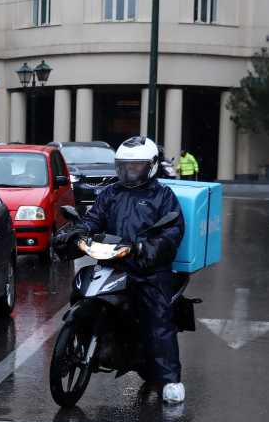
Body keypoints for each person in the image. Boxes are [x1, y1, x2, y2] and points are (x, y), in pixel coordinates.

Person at [54, 136, 187, 403]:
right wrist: (78, 232)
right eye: (124, 166)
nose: (129, 171)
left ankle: (170, 380)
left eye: (136, 166)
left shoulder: (163, 196)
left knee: (157, 320)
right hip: (112, 262)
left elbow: (171, 234)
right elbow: (93, 219)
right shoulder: (111, 194)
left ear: (150, 166)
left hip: (147, 269)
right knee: (84, 287)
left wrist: (143, 249)